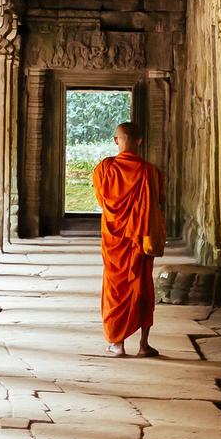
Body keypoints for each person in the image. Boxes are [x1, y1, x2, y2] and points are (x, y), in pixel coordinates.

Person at [91, 121, 164, 357]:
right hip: (138, 240)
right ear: (140, 141)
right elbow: (158, 201)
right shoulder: (150, 171)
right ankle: (144, 345)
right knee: (142, 288)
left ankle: (117, 344)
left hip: (115, 241)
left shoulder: (104, 169)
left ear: (116, 141)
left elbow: (102, 201)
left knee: (115, 289)